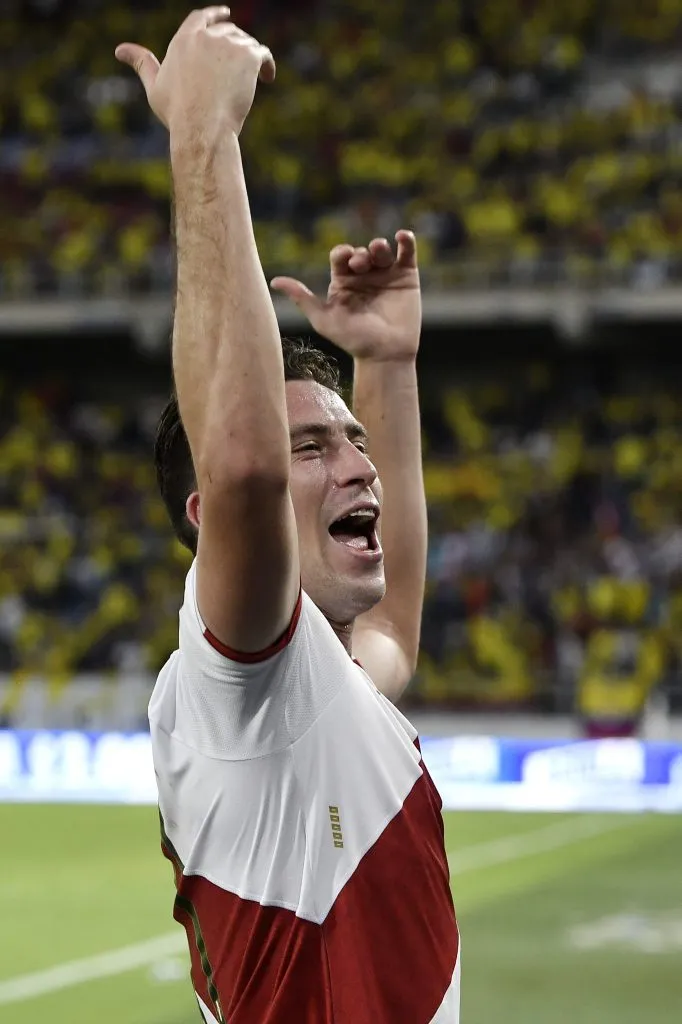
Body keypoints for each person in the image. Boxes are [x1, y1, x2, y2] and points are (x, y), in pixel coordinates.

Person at [116, 8, 460, 1023]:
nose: (357, 465)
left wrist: (386, 366)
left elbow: (393, 624)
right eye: (315, 444)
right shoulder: (238, 680)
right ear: (201, 516)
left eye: (352, 441)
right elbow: (243, 468)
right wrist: (202, 138)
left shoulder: (327, 678)